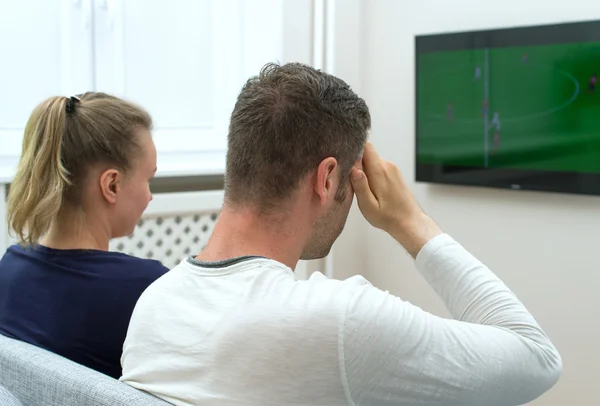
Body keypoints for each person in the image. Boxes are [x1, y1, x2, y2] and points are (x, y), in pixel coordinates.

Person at [121, 63, 562, 405]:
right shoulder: (340, 323)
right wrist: (411, 223)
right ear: (327, 178)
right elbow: (536, 357)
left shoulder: (154, 305)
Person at [0, 93, 168, 379]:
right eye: (147, 179)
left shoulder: (9, 268)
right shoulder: (147, 290)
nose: (150, 195)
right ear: (112, 184)